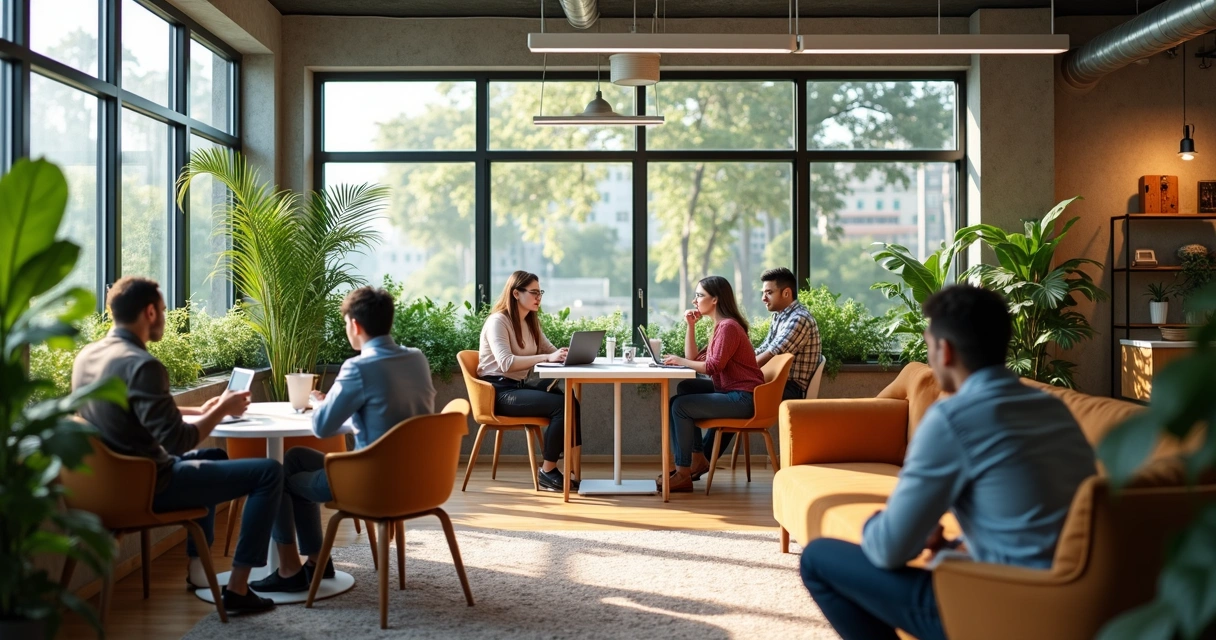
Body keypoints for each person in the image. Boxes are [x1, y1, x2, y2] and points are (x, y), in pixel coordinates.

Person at [798, 285, 1096, 640]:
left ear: (945, 350)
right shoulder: (1054, 409)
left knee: (818, 559)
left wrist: (875, 523)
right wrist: (958, 547)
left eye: (928, 345)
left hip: (1003, 612)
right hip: (1079, 606)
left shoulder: (953, 418)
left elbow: (888, 550)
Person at [72, 277, 282, 613]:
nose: (166, 319)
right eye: (165, 311)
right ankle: (239, 590)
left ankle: (199, 571)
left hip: (105, 487)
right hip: (149, 486)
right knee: (269, 472)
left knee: (214, 456)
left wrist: (200, 410)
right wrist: (224, 410)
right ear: (150, 312)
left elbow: (132, 409)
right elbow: (179, 441)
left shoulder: (89, 356)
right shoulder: (145, 365)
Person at [251, 286, 436, 592]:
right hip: (418, 479)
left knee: (276, 476)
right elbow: (385, 411)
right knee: (295, 457)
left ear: (355, 325)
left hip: (369, 483)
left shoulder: (359, 367)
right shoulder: (416, 359)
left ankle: (288, 570)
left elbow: (323, 428)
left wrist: (324, 402)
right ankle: (316, 563)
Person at [477, 270, 582, 493]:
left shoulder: (530, 322)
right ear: (516, 293)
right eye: (533, 292)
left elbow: (550, 350)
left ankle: (572, 466)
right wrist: (546, 358)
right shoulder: (499, 321)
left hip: (517, 387)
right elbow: (505, 363)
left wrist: (570, 355)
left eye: (540, 292)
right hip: (497, 393)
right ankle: (548, 471)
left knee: (569, 399)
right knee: (561, 406)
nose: (538, 297)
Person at [659, 276, 765, 493]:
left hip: (742, 398)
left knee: (680, 406)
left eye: (699, 295)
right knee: (684, 390)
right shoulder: (721, 326)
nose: (694, 301)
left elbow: (712, 367)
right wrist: (690, 326)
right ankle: (697, 459)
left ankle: (683, 472)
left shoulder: (728, 327)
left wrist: (680, 361)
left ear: (715, 299)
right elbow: (696, 361)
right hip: (732, 391)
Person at [702, 267, 820, 455]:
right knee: (718, 390)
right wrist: (730, 361)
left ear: (786, 293)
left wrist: (730, 368)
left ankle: (700, 462)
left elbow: (768, 356)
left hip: (788, 389)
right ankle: (697, 461)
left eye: (769, 293)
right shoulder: (780, 317)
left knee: (730, 397)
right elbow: (760, 350)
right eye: (763, 293)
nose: (763, 298)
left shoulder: (799, 319)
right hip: (771, 383)